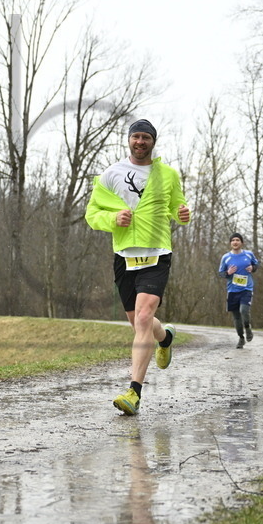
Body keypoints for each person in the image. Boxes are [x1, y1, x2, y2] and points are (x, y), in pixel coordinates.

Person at [86, 119, 190, 415]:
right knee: (139, 324)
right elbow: (92, 214)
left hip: (157, 253)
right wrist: (112, 220)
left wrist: (183, 214)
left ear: (153, 142)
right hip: (124, 256)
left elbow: (178, 209)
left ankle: (134, 392)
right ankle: (165, 337)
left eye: (146, 137)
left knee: (144, 317)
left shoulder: (168, 174)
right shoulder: (111, 175)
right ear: (129, 140)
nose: (140, 142)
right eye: (136, 137)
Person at [218, 232, 259, 348]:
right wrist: (228, 273)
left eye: (237, 240)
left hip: (246, 288)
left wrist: (253, 268)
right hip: (232, 290)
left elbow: (256, 265)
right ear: (230, 243)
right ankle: (241, 338)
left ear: (241, 243)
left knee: (244, 311)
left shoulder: (249, 255)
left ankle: (248, 328)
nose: (235, 242)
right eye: (233, 240)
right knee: (236, 316)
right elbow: (221, 274)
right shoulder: (226, 257)